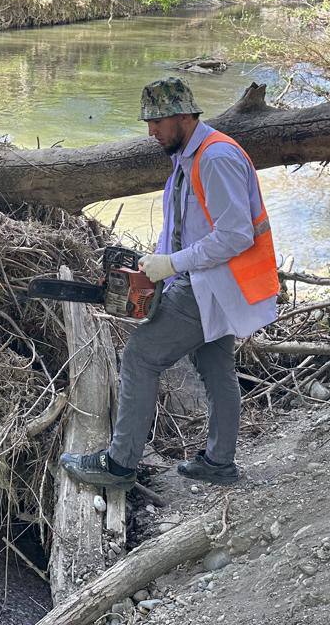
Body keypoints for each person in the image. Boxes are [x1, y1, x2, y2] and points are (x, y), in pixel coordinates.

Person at [60, 77, 278, 488]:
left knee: (141, 356)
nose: (150, 131)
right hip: (204, 280)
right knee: (215, 366)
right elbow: (184, 226)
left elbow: (236, 235)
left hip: (212, 285)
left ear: (183, 115)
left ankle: (119, 465)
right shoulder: (186, 157)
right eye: (148, 122)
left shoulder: (215, 159)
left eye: (157, 122)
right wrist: (153, 266)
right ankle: (219, 462)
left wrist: (171, 265)